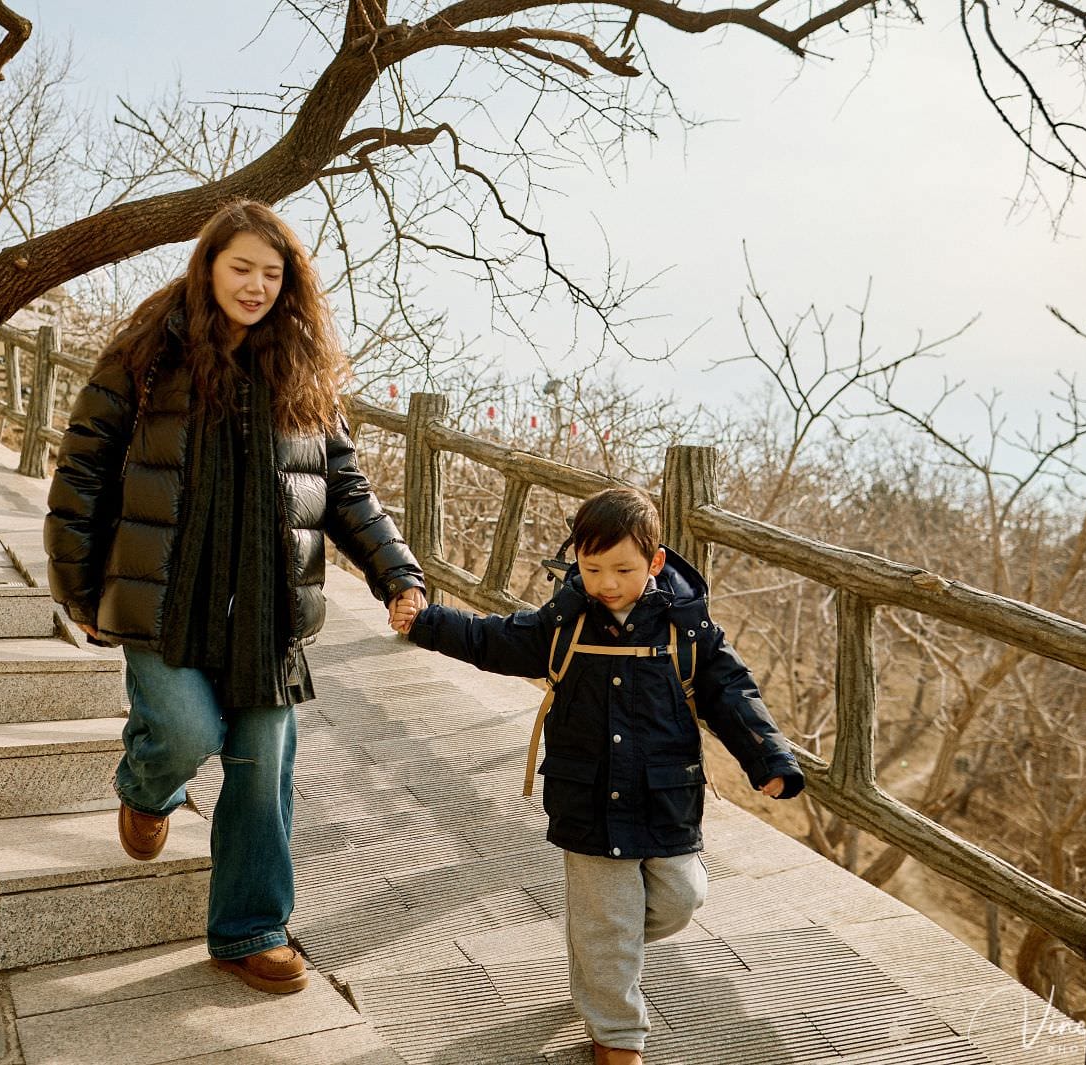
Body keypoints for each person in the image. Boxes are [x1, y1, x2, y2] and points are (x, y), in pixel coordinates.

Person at [45, 199, 426, 996]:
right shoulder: (148, 352)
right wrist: (75, 581)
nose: (255, 286)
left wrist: (398, 572)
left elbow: (344, 488)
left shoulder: (302, 371)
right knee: (184, 729)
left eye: (271, 273)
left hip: (268, 613)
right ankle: (148, 787)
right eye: (240, 268)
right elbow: (82, 468)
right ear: (208, 265)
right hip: (161, 600)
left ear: (289, 284)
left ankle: (249, 927)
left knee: (261, 767)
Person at [390, 487, 803, 1065]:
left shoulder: (687, 629)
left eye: (623, 569)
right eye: (592, 568)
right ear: (576, 561)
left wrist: (770, 759)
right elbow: (492, 639)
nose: (607, 582)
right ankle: (617, 1035)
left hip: (665, 793)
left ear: (655, 563)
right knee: (608, 925)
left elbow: (732, 693)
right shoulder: (562, 624)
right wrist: (427, 622)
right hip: (585, 793)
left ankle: (596, 959)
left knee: (682, 898)